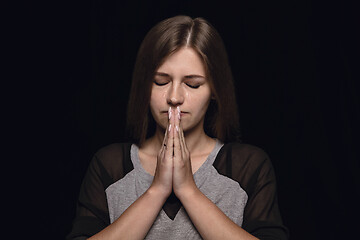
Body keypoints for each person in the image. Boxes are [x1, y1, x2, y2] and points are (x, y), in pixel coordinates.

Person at [67, 15, 288, 240]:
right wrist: (158, 190)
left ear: (214, 89)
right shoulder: (109, 165)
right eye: (161, 82)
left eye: (192, 84)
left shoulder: (248, 166)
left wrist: (187, 190)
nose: (174, 97)